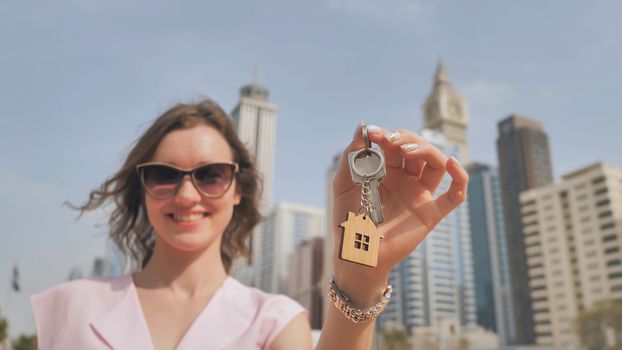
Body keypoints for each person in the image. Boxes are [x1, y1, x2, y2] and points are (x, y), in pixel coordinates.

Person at [31, 99, 468, 349]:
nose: (187, 195)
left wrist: (362, 275)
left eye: (210, 175)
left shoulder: (275, 321)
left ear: (238, 189)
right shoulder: (67, 307)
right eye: (164, 175)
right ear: (142, 187)